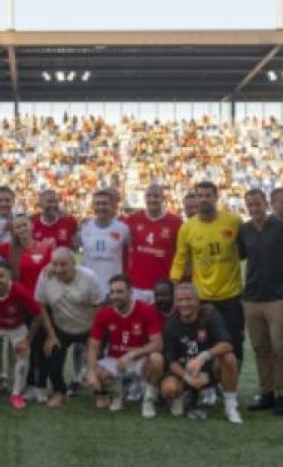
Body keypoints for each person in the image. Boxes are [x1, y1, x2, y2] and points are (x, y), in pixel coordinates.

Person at [170, 181, 245, 387]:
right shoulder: (188, 228)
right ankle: (208, 387)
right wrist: (175, 284)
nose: (203, 199)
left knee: (233, 345)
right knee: (201, 343)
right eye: (200, 195)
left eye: (207, 195)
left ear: (216, 197)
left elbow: (247, 248)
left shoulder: (233, 221)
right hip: (201, 297)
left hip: (230, 295)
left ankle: (230, 387)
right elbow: (180, 258)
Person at [239, 189, 283, 415]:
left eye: (257, 204)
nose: (254, 208)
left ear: (266, 204)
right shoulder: (244, 230)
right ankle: (266, 392)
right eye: (249, 205)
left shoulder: (282, 227)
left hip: (278, 297)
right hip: (251, 297)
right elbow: (240, 255)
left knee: (280, 348)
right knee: (260, 348)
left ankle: (282, 394)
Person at [160, 282, 243, 424]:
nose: (185, 304)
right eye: (180, 300)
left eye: (189, 299)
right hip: (183, 371)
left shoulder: (210, 315)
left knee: (229, 358)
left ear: (198, 301)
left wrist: (202, 358)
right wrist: (187, 377)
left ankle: (230, 406)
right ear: (175, 303)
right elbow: (171, 360)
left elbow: (227, 344)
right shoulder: (171, 324)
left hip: (207, 370)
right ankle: (186, 396)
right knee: (169, 389)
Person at [85, 274, 164, 418]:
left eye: (120, 292)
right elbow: (93, 345)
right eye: (112, 292)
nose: (115, 296)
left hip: (140, 359)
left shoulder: (145, 310)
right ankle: (117, 394)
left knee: (157, 359)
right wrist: (90, 372)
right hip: (115, 360)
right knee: (93, 370)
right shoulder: (104, 314)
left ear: (130, 292)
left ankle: (148, 400)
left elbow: (158, 344)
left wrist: (131, 354)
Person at [36, 247, 105, 408]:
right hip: (61, 327)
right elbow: (41, 306)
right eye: (55, 264)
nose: (59, 269)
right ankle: (60, 392)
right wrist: (51, 335)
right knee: (51, 352)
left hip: (89, 327)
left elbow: (99, 307)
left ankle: (99, 393)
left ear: (74, 263)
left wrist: (94, 340)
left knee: (98, 358)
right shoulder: (45, 276)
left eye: (63, 264)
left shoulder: (89, 277)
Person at [0, 260, 41, 409]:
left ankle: (16, 394)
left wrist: (27, 341)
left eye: (0, 276)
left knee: (23, 353)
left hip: (16, 327)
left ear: (9, 276)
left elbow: (37, 315)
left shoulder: (20, 292)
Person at [122, 182, 182, 304]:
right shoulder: (132, 220)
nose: (152, 200)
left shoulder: (176, 222)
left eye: (156, 196)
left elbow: (180, 254)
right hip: (137, 285)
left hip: (164, 286)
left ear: (163, 198)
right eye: (149, 196)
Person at [76, 189, 130, 289]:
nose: (101, 207)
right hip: (90, 288)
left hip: (114, 289)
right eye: (97, 204)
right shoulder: (85, 228)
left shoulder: (123, 229)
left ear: (111, 206)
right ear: (93, 206)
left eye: (105, 203)